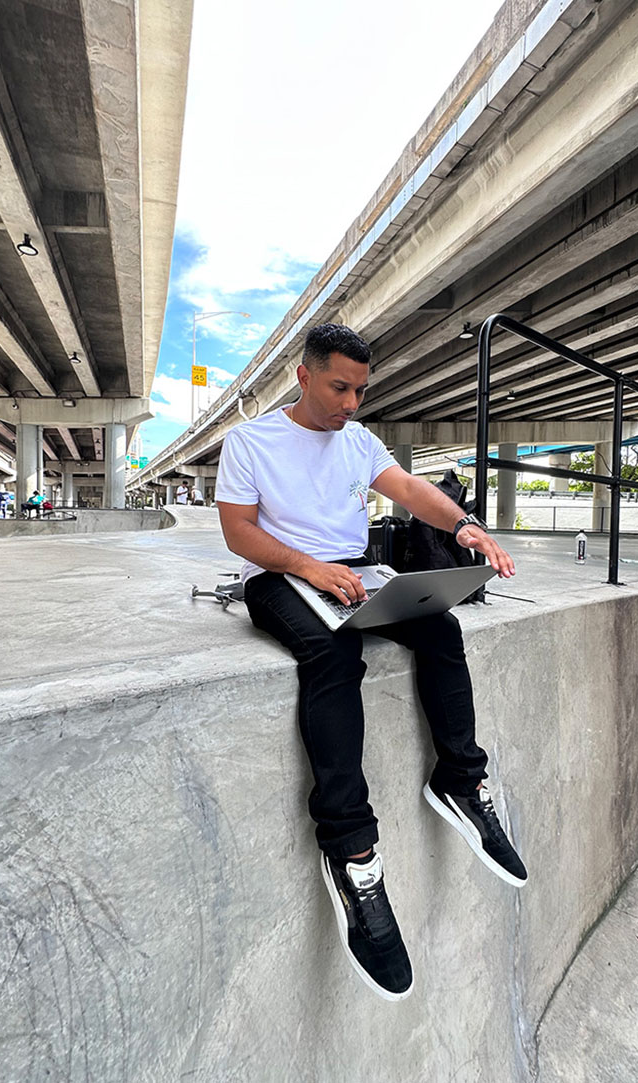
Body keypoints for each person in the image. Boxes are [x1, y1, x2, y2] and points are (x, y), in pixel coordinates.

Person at [215, 323, 526, 1002]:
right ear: (304, 376)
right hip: (280, 576)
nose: (352, 401)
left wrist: (462, 525)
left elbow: (411, 491)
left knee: (441, 627)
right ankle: (353, 855)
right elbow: (239, 529)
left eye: (360, 388)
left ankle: (461, 784)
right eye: (339, 386)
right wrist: (308, 566)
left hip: (358, 570)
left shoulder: (359, 440)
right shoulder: (251, 441)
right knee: (332, 652)